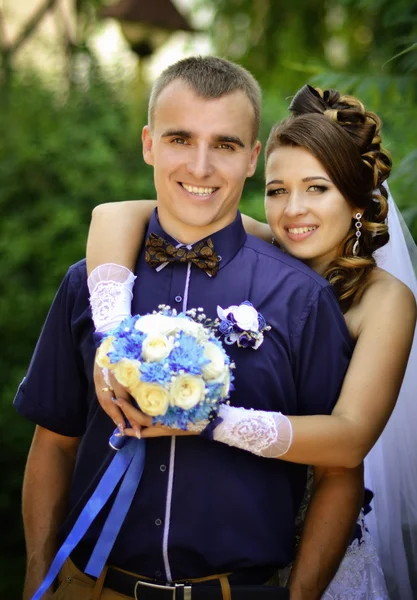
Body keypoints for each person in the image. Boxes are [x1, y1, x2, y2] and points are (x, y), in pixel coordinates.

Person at [14, 57, 363, 600]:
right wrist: (38, 573)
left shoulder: (302, 299)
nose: (200, 167)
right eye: (181, 139)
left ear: (251, 160)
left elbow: (339, 475)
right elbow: (54, 443)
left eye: (224, 145)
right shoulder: (89, 283)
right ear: (150, 144)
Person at [86, 84, 417, 599]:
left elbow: (351, 439)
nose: (293, 210)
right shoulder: (263, 244)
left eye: (317, 188)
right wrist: (111, 338)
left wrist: (207, 419)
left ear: (356, 199)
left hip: (321, 539)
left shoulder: (385, 299)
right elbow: (114, 214)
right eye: (278, 189)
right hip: (240, 538)